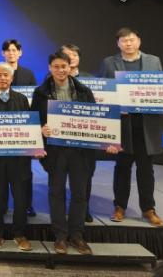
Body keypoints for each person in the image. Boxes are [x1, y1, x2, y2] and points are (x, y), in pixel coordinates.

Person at [32, 51, 118, 255]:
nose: (60, 70)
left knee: (80, 194)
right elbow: (34, 119)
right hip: (55, 152)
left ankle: (77, 236)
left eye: (64, 66)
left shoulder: (84, 91)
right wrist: (41, 129)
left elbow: (96, 120)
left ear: (70, 67)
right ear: (50, 68)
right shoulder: (40, 93)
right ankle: (60, 236)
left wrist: (108, 141)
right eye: (56, 67)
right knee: (56, 193)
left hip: (80, 152)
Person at [100, 27, 163, 227]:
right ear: (118, 43)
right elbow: (103, 92)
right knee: (122, 168)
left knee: (146, 170)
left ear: (139, 41)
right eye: (123, 40)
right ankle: (119, 207)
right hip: (122, 124)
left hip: (146, 125)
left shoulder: (153, 61)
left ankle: (148, 209)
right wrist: (114, 109)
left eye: (131, 39)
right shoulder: (109, 63)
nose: (128, 43)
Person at [0, 62, 39, 252]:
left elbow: (29, 128)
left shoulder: (22, 99)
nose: (3, 78)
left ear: (12, 78)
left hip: (18, 159)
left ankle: (20, 234)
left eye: (6, 75)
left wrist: (34, 145)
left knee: (20, 199)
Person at [0, 39, 37, 217]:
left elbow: (32, 107)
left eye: (14, 50)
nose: (11, 53)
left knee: (22, 179)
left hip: (20, 139)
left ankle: (26, 206)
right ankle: (2, 208)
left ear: (20, 52)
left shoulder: (28, 75)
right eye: (7, 50)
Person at [61, 43, 95, 222]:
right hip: (61, 137)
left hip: (84, 138)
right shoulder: (51, 80)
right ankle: (61, 210)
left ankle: (84, 209)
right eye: (68, 55)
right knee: (59, 178)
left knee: (85, 176)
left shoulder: (91, 80)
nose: (72, 58)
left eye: (75, 54)